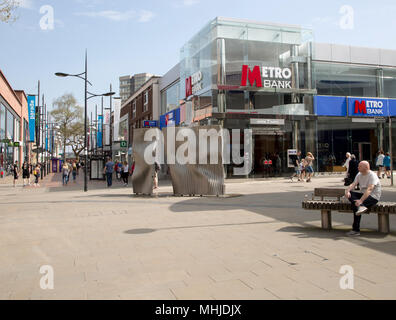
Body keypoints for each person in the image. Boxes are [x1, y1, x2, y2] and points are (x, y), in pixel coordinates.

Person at [345, 161, 382, 236]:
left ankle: (355, 230)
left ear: (366, 167)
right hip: (363, 195)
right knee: (351, 195)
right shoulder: (359, 174)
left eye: (360, 166)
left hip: (373, 197)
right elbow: (353, 184)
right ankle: (361, 206)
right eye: (358, 166)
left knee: (355, 207)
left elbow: (369, 189)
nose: (358, 167)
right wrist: (347, 191)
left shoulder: (372, 175)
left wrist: (361, 200)